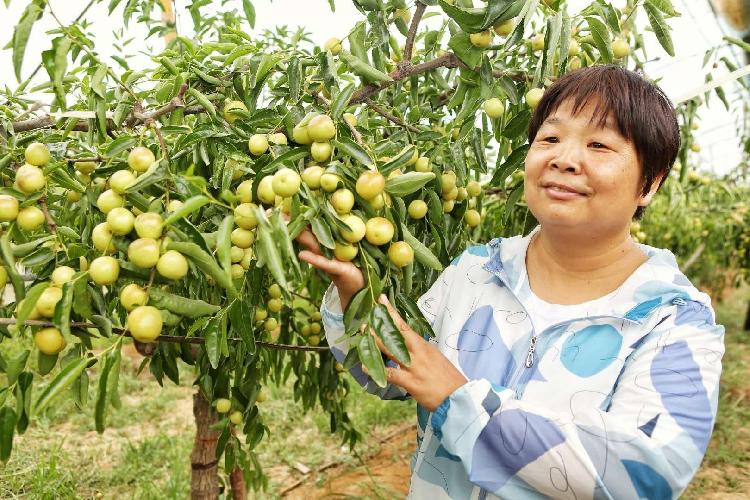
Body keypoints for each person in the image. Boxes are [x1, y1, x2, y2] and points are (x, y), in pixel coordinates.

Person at [296, 65, 725, 499]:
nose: (564, 159)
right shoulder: (478, 271)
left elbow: (644, 476)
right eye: (550, 139)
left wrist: (458, 399)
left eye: (598, 145)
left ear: (649, 183)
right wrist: (356, 294)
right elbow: (395, 372)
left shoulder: (674, 322)